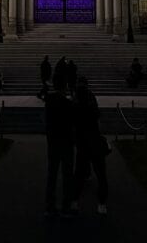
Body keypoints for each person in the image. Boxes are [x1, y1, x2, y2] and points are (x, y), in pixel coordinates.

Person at [71, 76, 108, 215]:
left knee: (79, 173)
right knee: (101, 174)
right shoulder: (92, 106)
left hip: (82, 143)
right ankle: (102, 203)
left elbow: (72, 124)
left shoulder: (75, 106)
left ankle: (74, 201)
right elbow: (97, 118)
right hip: (94, 142)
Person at [43, 76, 75, 217]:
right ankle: (66, 207)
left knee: (52, 174)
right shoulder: (68, 104)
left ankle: (50, 206)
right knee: (67, 175)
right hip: (66, 143)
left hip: (53, 142)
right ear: (65, 87)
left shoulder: (49, 101)